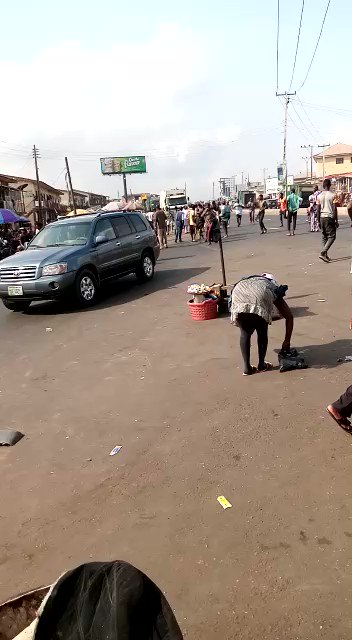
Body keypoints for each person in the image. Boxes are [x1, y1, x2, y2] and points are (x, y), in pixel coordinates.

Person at [230, 274, 293, 376]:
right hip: (258, 296)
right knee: (262, 330)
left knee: (245, 332)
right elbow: (289, 317)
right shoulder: (272, 287)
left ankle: (247, 367)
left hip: (238, 295)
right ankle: (261, 365)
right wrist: (287, 341)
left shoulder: (249, 280)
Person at [317, 178, 338, 263]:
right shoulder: (333, 195)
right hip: (329, 217)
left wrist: (318, 221)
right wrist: (336, 220)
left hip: (322, 217)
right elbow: (334, 209)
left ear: (323, 186)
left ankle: (325, 255)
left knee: (324, 236)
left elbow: (318, 209)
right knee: (332, 236)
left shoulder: (319, 196)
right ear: (329, 185)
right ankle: (323, 252)